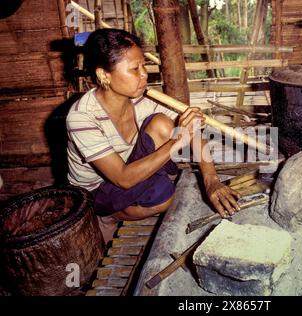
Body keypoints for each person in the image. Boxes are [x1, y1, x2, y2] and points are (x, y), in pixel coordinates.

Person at [66, 29, 240, 243]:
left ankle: (150, 178)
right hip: (98, 189)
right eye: (134, 69)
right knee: (162, 197)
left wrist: (211, 179)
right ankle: (109, 215)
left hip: (129, 165)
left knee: (162, 123)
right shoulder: (81, 118)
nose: (144, 75)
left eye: (144, 66)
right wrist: (177, 142)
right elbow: (123, 178)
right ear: (104, 75)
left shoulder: (140, 98)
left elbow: (192, 127)